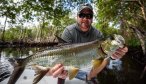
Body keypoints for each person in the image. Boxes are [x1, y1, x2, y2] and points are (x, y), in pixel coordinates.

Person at [47, 3, 128, 83]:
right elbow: (62, 51)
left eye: (89, 16)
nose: (85, 18)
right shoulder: (68, 31)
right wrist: (61, 71)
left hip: (89, 64)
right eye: (82, 15)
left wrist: (114, 56)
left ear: (92, 19)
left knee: (105, 60)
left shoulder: (98, 34)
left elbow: (106, 55)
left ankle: (90, 77)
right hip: (69, 62)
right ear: (77, 17)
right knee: (61, 72)